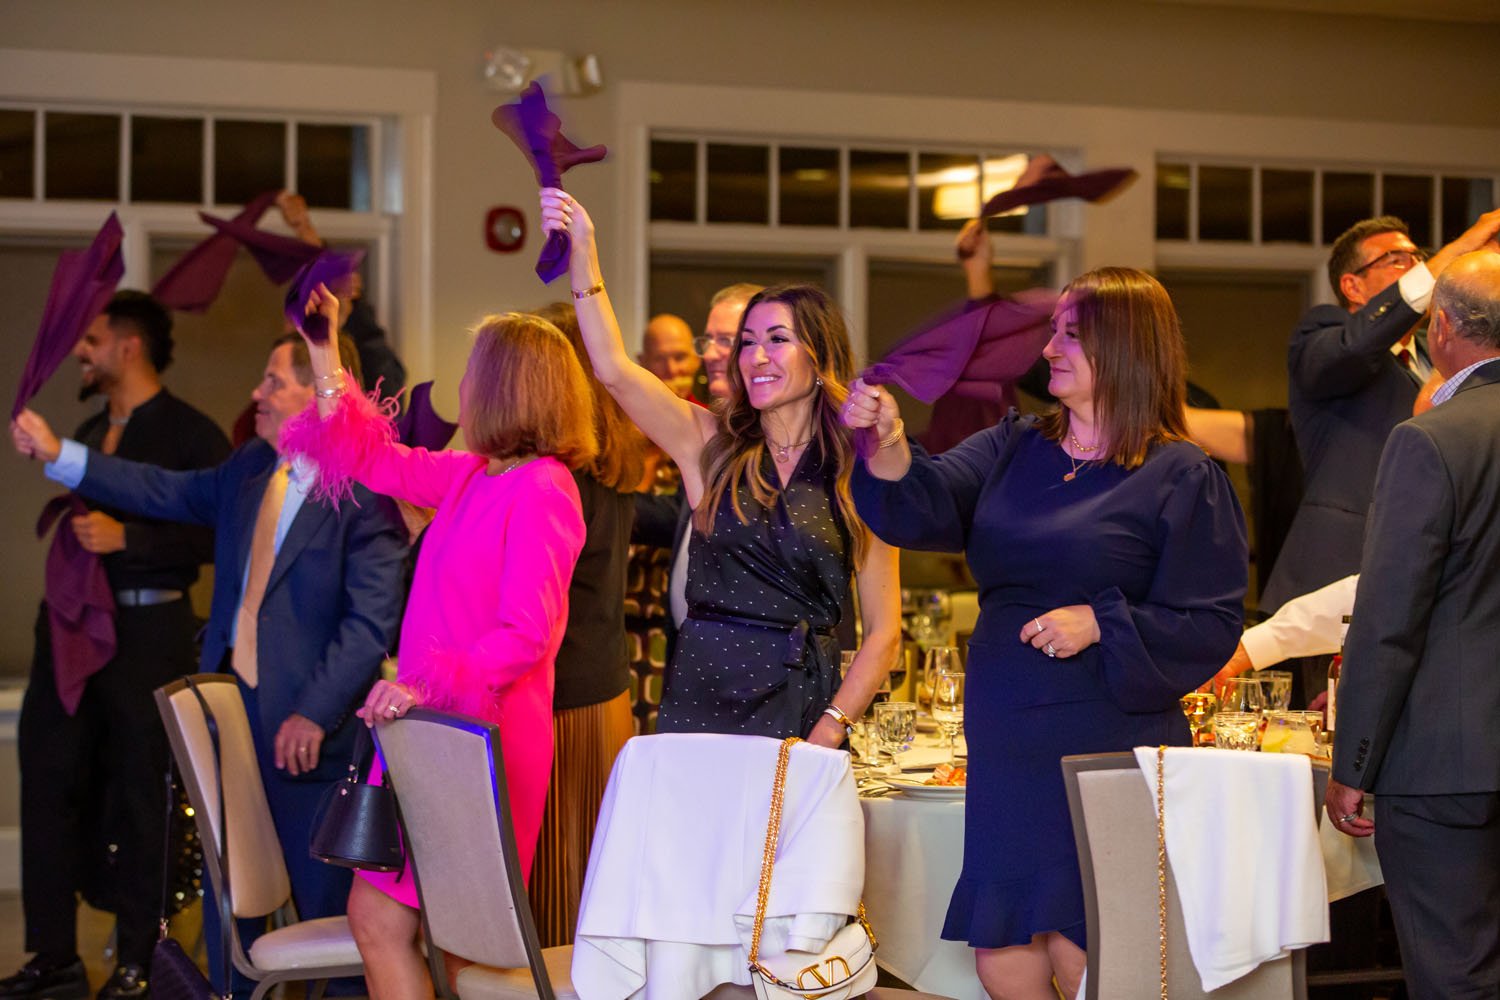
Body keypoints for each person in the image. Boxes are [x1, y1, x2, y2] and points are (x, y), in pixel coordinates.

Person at [843, 266, 1247, 999]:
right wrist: (890, 439)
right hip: (1009, 729)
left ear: (1124, 348)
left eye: (1071, 333)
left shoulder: (1180, 475)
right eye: (1053, 329)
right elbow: (922, 505)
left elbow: (1212, 623)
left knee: (1085, 949)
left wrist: (1102, 622)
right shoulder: (1015, 445)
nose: (1050, 348)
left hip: (1107, 733)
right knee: (1004, 955)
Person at [12, 333, 406, 999]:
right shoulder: (251, 466)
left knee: (330, 926)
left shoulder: (363, 492)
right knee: (234, 913)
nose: (257, 393)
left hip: (316, 737)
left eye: (274, 380)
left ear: (318, 391)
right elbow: (160, 489)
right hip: (232, 717)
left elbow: (370, 621)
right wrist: (60, 456)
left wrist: (313, 710)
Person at [279, 290, 592, 1000]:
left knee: (437, 940)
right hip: (432, 731)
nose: (460, 388)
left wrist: (421, 685)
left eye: (473, 373)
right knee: (407, 931)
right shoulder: (473, 476)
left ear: (508, 388)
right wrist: (325, 347)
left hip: (478, 741)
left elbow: (528, 632)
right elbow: (370, 457)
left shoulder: (545, 488)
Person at [541, 189, 900, 747]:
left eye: (777, 341)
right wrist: (583, 251)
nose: (756, 357)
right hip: (702, 698)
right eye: (747, 343)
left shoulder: (860, 468)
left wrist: (830, 730)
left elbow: (884, 633)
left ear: (819, 354)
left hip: (805, 705)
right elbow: (611, 368)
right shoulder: (710, 444)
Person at [3, 291, 228, 1000]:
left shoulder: (191, 435)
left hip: (150, 632)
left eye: (91, 339)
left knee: (144, 797)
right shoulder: (91, 424)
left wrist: (132, 539)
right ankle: (53, 958)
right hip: (69, 635)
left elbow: (217, 532)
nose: (80, 351)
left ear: (129, 346)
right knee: (47, 782)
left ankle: (141, 959)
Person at [1326, 251, 1500, 999]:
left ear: (1444, 326)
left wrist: (1351, 764)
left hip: (1445, 765)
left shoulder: (1430, 438)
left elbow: (1390, 621)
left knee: (1455, 975)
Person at [1261, 210, 1500, 617]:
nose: (1418, 266)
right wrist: (1462, 247)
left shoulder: (1434, 350)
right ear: (1352, 285)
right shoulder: (1322, 335)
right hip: (1333, 578)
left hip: (1418, 571)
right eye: (1397, 259)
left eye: (1416, 256)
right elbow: (1358, 345)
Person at [526, 301, 643, 947]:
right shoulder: (611, 469)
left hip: (565, 701)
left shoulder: (560, 479)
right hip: (604, 695)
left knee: (557, 897)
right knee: (587, 889)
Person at [636, 312, 699, 401]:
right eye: (659, 359)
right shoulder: (623, 412)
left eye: (680, 357)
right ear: (642, 363)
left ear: (697, 360)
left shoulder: (710, 414)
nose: (672, 370)